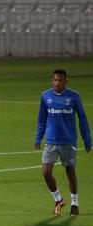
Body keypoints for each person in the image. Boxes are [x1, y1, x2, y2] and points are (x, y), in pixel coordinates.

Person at [35, 69, 91, 217]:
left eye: (60, 80)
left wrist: (87, 140)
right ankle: (58, 200)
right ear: (52, 81)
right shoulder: (45, 96)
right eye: (55, 80)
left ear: (66, 82)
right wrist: (38, 137)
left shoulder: (73, 97)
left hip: (68, 141)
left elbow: (83, 119)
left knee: (70, 172)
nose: (57, 83)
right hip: (51, 141)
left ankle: (75, 203)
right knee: (46, 172)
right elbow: (41, 119)